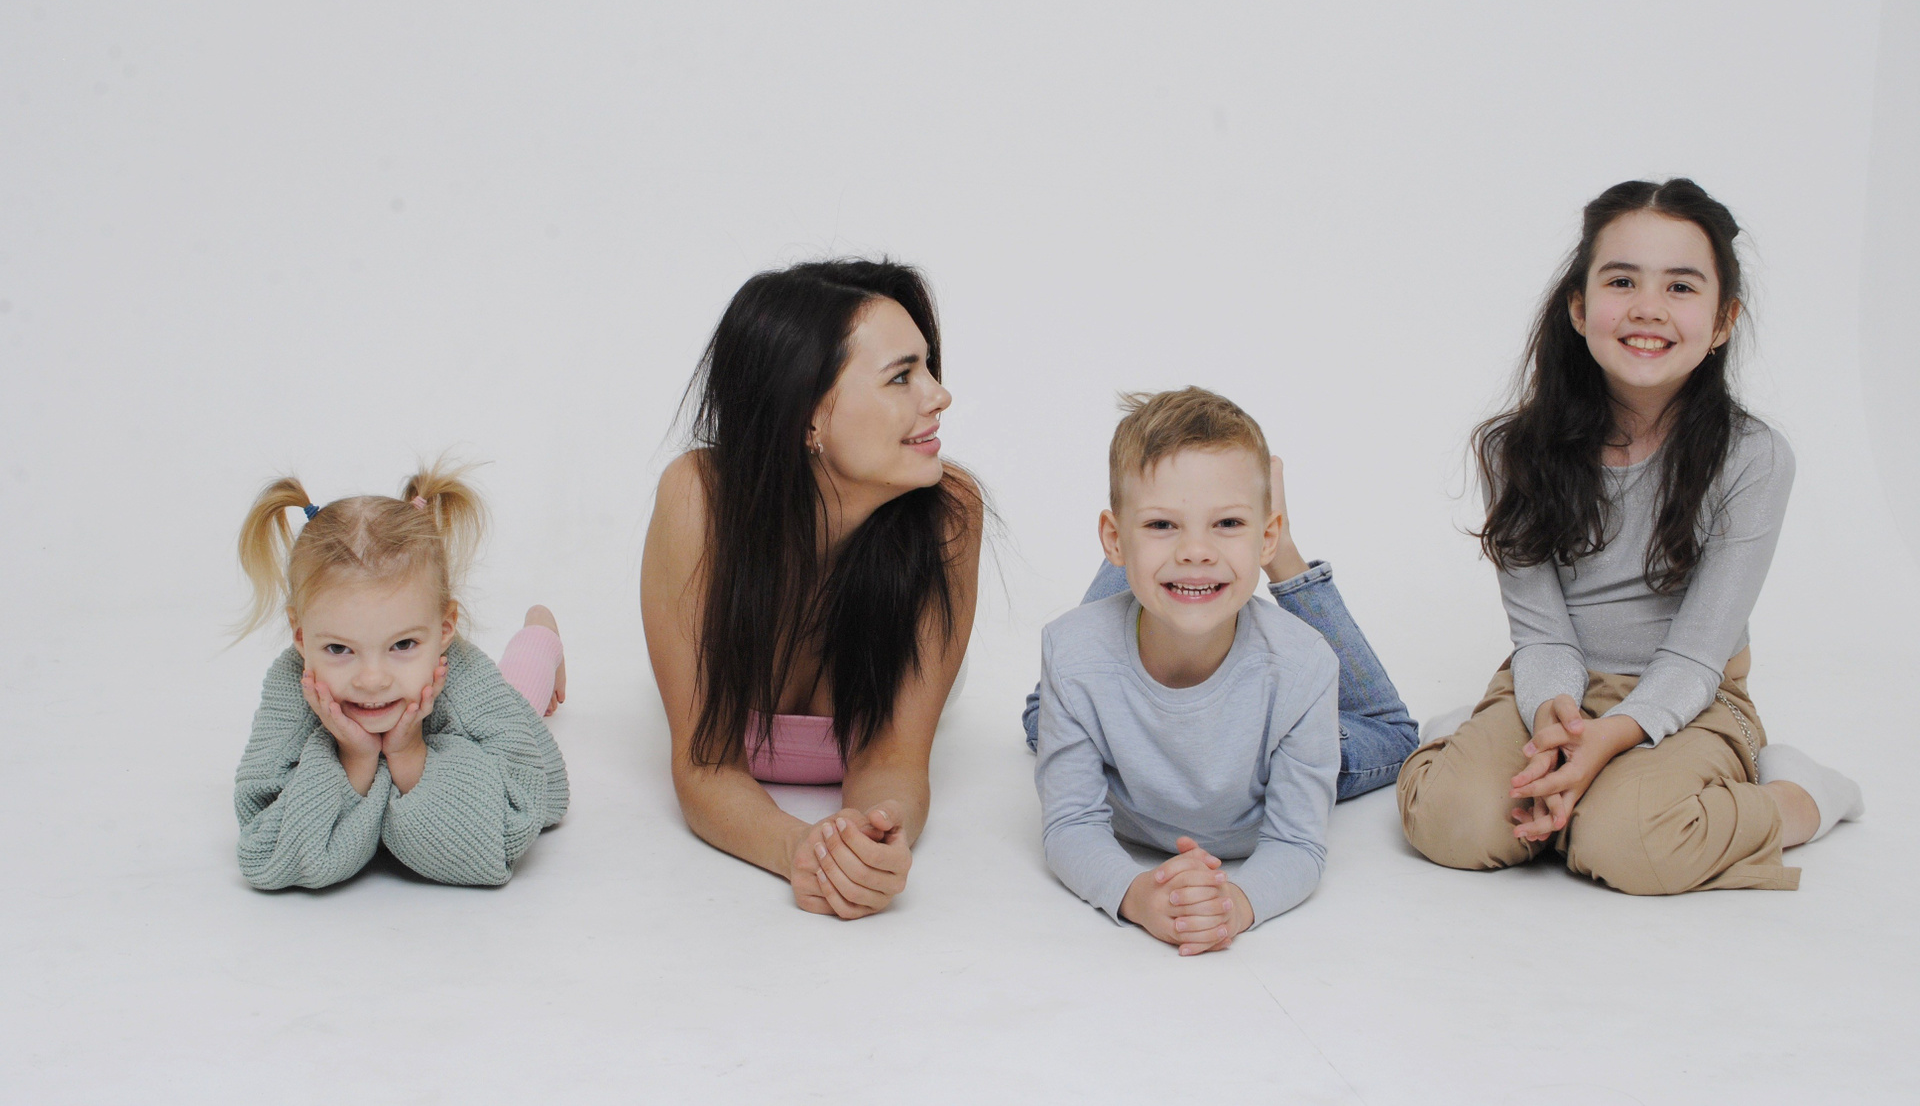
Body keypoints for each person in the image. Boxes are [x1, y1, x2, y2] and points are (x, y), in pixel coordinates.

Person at [1398, 178, 1863, 894]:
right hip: (1554, 682)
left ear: (1723, 321)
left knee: (1629, 843)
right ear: (1579, 309)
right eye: (1622, 281)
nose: (1648, 307)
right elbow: (1542, 633)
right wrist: (1552, 722)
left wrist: (1609, 738)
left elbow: (1699, 652)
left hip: (1693, 691)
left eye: (1681, 286)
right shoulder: (1513, 450)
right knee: (1456, 822)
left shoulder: (1754, 458)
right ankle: (1462, 737)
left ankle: (1799, 794)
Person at [642, 259, 984, 919]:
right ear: (808, 417)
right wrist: (801, 849)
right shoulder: (696, 500)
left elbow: (895, 758)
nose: (939, 395)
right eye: (902, 376)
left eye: (929, 368)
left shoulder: (951, 512)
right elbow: (705, 765)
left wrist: (871, 838)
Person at [1034, 387, 1412, 954]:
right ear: (1110, 538)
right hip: (1114, 649)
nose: (1197, 549)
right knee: (1044, 712)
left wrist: (1234, 905)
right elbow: (1070, 824)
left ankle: (1190, 534)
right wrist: (1135, 895)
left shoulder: (1302, 668)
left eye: (1229, 522)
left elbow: (1296, 843)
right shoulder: (1070, 654)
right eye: (1163, 524)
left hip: (1262, 750)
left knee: (1391, 740)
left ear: (1267, 537)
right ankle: (1166, 536)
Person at [232, 461, 570, 890]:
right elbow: (266, 852)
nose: (372, 680)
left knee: (522, 688)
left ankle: (540, 632)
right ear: (301, 636)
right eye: (339, 649)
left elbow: (504, 836)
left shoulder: (468, 682)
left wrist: (409, 755)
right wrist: (356, 759)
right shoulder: (293, 687)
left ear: (444, 629)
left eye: (403, 645)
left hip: (492, 711)